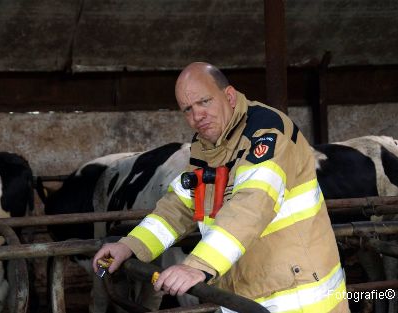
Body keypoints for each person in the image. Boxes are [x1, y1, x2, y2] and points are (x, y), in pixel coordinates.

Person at [93, 62, 349, 312]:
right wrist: (130, 245)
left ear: (229, 96)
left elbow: (251, 206)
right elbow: (179, 206)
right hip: (243, 296)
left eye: (204, 102)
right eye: (187, 109)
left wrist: (197, 265)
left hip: (301, 297)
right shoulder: (207, 147)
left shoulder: (267, 133)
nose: (197, 116)